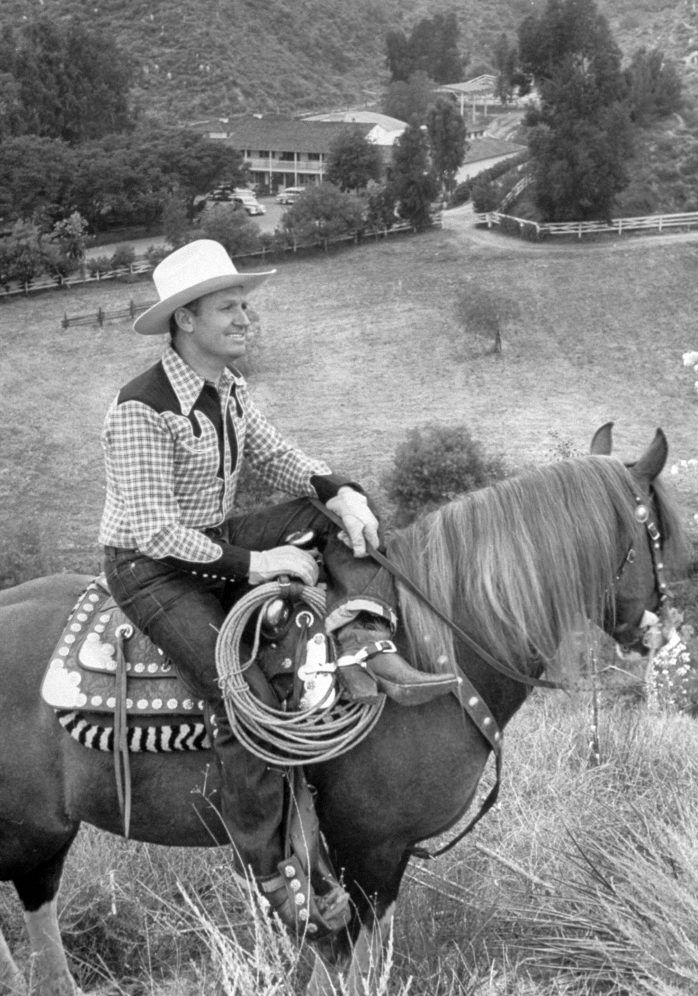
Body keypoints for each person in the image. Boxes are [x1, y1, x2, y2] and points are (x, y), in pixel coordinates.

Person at [98, 239, 455, 936]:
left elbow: (277, 456)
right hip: (153, 568)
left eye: (244, 305)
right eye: (228, 307)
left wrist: (341, 492)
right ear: (186, 321)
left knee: (334, 509)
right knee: (245, 698)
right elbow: (151, 531)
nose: (244, 317)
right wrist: (257, 568)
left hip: (217, 542)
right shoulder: (140, 407)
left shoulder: (229, 390)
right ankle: (268, 869)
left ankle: (362, 635)